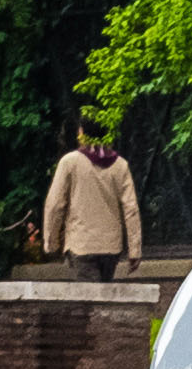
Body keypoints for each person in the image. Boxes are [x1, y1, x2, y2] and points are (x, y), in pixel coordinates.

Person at [35, 117, 138, 273]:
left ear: (82, 133)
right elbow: (131, 209)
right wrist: (134, 250)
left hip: (81, 245)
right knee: (104, 293)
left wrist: (51, 242)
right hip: (111, 247)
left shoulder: (69, 162)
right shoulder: (120, 165)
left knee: (89, 295)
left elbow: (55, 205)